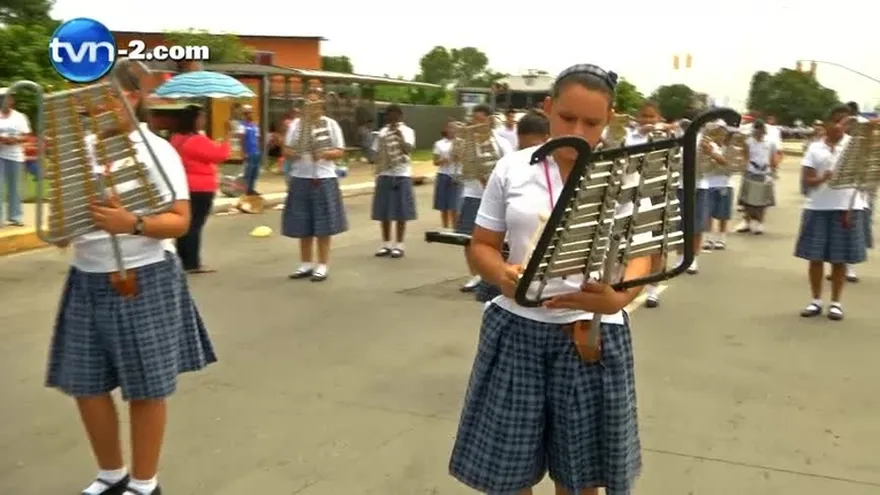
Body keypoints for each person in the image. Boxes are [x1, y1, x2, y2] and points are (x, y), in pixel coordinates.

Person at [449, 64, 647, 495]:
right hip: (518, 329)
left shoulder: (627, 173)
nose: (577, 130)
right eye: (567, 117)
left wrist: (620, 297)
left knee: (581, 479)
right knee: (510, 473)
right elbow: (481, 244)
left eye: (591, 122)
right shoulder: (513, 168)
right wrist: (502, 274)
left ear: (609, 120)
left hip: (591, 333)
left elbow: (643, 254)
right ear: (548, 109)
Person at [45, 59, 216, 495]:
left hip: (144, 274)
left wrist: (133, 222)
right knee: (85, 385)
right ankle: (111, 474)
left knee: (145, 388)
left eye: (107, 98)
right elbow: (64, 219)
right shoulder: (78, 151)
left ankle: (144, 483)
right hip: (86, 276)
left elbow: (180, 221)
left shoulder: (157, 151)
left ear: (132, 99)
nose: (97, 109)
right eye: (91, 101)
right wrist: (62, 231)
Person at [795, 104, 868, 321]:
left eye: (844, 122)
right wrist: (823, 178)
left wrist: (851, 207)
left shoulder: (856, 147)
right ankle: (816, 300)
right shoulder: (815, 148)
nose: (839, 126)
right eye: (836, 121)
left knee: (840, 259)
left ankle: (836, 303)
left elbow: (865, 177)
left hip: (846, 208)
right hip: (818, 207)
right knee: (815, 257)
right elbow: (807, 180)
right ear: (827, 124)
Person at [473, 109, 549, 303]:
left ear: (548, 138)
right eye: (523, 147)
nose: (529, 154)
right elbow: (484, 243)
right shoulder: (511, 164)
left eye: (534, 147)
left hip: (533, 262)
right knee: (493, 301)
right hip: (503, 249)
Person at [282, 89, 348, 281]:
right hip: (300, 177)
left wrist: (324, 154)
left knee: (323, 224)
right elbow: (286, 149)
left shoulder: (330, 124)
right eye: (308, 102)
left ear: (321, 104)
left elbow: (340, 150)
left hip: (324, 177)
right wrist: (294, 152)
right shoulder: (297, 125)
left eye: (315, 102)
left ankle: (322, 264)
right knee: (303, 222)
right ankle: (305, 263)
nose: (311, 106)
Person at [620, 100, 680, 307]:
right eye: (644, 116)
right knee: (630, 245)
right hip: (632, 196)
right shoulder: (628, 138)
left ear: (658, 118)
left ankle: (653, 289)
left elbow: (675, 162)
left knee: (657, 245)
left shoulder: (669, 138)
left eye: (651, 117)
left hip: (658, 196)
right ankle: (628, 284)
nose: (647, 120)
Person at [456, 104, 515, 292]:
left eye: (481, 120)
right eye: (475, 120)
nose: (477, 124)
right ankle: (474, 274)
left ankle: (493, 273)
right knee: (467, 237)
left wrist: (489, 180)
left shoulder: (501, 143)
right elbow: (457, 164)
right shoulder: (467, 143)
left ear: (489, 120)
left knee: (493, 239)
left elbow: (509, 169)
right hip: (471, 194)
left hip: (494, 198)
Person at [170, 104, 230, 274]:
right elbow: (220, 155)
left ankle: (183, 260)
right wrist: (227, 136)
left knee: (185, 224)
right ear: (194, 120)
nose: (204, 121)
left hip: (183, 184)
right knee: (195, 225)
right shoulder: (196, 140)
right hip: (201, 187)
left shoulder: (176, 138)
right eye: (201, 117)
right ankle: (192, 263)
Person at [371, 104, 416, 258]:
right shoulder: (382, 132)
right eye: (389, 115)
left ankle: (399, 244)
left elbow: (408, 150)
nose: (392, 118)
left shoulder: (407, 131)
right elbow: (376, 152)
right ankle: (386, 244)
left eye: (395, 115)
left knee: (400, 212)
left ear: (401, 116)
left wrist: (399, 136)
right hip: (385, 173)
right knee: (384, 211)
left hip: (401, 174)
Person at [735, 120, 779, 234]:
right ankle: (747, 221)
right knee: (748, 199)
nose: (759, 132)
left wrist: (774, 170)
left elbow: (773, 157)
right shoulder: (748, 142)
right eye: (757, 129)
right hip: (751, 171)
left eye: (761, 129)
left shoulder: (770, 143)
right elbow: (745, 156)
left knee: (763, 199)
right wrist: (743, 169)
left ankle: (759, 222)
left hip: (765, 172)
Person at [0, 88, 32, 227]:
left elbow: (26, 135)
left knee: (15, 187)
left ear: (12, 101)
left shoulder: (20, 117)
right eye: (2, 99)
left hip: (15, 156)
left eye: (7, 98)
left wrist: (16, 140)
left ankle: (15, 216)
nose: (5, 101)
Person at [703, 128, 734, 250]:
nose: (721, 137)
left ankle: (721, 238)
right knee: (709, 213)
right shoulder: (709, 146)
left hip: (726, 184)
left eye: (723, 135)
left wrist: (713, 155)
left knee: (723, 214)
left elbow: (726, 163)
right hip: (709, 183)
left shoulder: (731, 148)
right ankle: (709, 238)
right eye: (717, 135)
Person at [432, 119, 462, 229]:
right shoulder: (439, 143)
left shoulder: (461, 143)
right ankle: (445, 227)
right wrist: (444, 159)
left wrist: (458, 157)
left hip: (456, 175)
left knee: (454, 205)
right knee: (443, 205)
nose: (452, 130)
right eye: (450, 128)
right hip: (443, 174)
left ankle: (455, 228)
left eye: (454, 128)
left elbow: (465, 159)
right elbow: (435, 161)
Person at [239, 104, 262, 196]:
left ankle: (251, 189)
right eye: (246, 113)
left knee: (255, 172)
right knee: (248, 173)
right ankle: (246, 190)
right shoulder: (242, 125)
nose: (249, 114)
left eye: (250, 112)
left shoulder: (254, 125)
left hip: (256, 152)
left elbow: (257, 138)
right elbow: (242, 139)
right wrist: (243, 152)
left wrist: (259, 150)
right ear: (244, 114)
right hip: (249, 152)